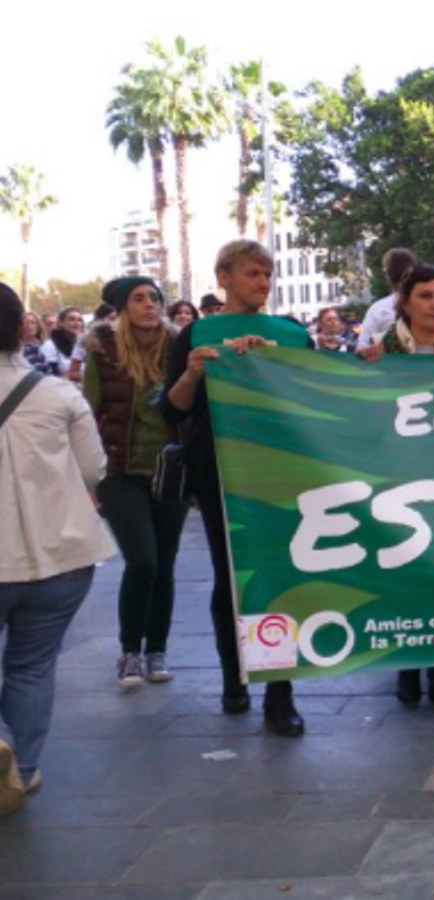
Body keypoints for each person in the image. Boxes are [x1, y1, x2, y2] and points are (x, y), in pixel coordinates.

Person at [160, 240, 314, 736]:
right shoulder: (195, 333)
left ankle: (279, 690)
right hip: (218, 470)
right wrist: (194, 373)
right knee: (230, 578)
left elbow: (319, 395)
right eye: (253, 273)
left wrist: (274, 365)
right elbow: (171, 409)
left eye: (268, 274)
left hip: (283, 472)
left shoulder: (291, 334)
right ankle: (235, 678)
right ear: (223, 277)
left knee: (277, 579)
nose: (262, 283)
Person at [0, 281, 116, 815]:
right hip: (62, 556)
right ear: (23, 328)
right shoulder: (59, 395)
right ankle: (20, 769)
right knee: (31, 666)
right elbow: (94, 469)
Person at [355, 265, 434, 711]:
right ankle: (408, 668)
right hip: (397, 481)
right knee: (406, 576)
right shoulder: (378, 352)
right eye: (426, 296)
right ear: (404, 303)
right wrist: (362, 369)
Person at [82, 277, 189, 690]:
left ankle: (156, 649)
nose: (150, 305)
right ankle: (130, 652)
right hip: (120, 473)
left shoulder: (179, 348)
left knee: (164, 564)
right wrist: (89, 478)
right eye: (139, 299)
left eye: (155, 298)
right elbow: (87, 412)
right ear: (122, 309)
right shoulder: (103, 352)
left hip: (170, 471)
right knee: (142, 561)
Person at [356, 248, 434, 350]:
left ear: (388, 275)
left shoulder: (377, 310)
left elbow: (362, 350)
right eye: (425, 296)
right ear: (405, 305)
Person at [39, 306, 83, 379]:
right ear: (61, 323)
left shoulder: (84, 344)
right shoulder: (50, 346)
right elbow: (49, 378)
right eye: (71, 319)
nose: (76, 323)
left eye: (79, 320)